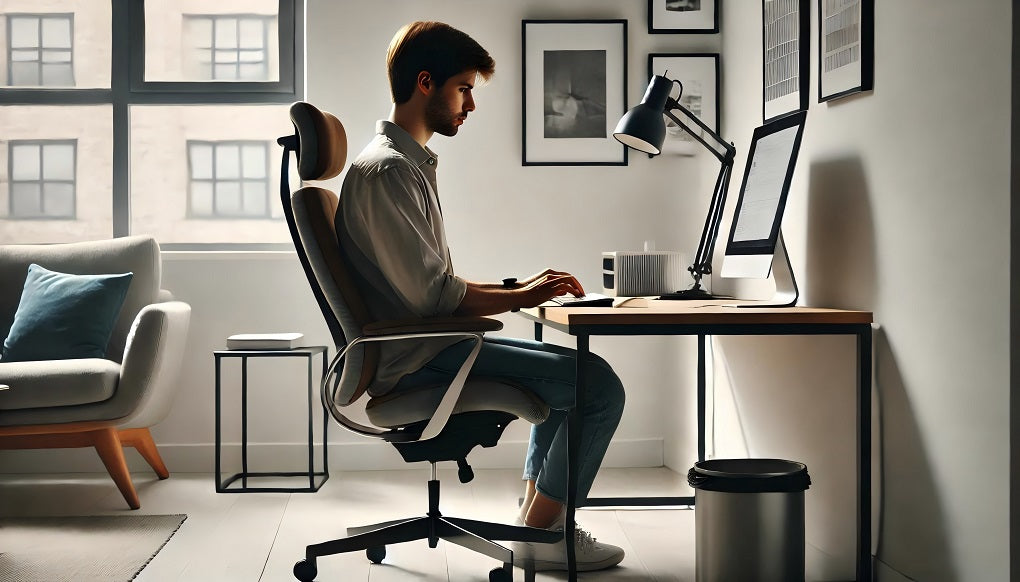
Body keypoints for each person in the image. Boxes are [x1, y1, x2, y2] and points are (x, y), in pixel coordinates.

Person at [335, 21, 626, 572]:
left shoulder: (405, 167)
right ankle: (546, 537)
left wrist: (520, 290)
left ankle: (532, 521)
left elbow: (433, 286)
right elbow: (434, 297)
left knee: (580, 375)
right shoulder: (386, 173)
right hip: (422, 360)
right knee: (600, 387)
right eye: (463, 88)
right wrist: (522, 298)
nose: (470, 103)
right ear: (426, 82)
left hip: (432, 348)